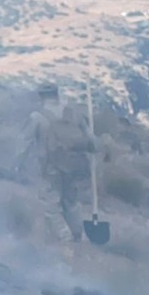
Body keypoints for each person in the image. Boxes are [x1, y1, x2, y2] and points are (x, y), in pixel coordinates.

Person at [18, 83, 94, 242]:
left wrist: (17, 165)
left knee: (51, 204)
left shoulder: (37, 117)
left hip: (50, 167)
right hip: (75, 166)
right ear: (57, 94)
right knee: (71, 202)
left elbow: (23, 144)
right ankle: (78, 235)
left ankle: (65, 239)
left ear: (41, 96)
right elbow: (90, 140)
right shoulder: (73, 114)